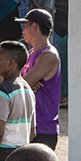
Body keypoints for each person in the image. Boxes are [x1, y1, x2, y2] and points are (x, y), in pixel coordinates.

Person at [20, 9, 61, 148]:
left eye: (25, 26)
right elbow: (22, 83)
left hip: (43, 128)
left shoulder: (49, 55)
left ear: (35, 26)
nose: (22, 31)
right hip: (30, 125)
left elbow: (22, 84)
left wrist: (26, 84)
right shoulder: (31, 53)